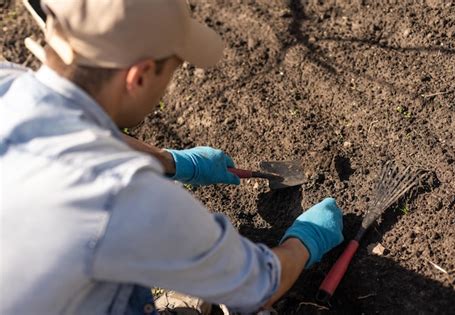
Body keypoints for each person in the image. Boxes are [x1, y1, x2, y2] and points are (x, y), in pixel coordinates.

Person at [0, 0, 344, 314]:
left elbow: (75, 131)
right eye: (171, 72)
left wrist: (173, 162)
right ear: (139, 76)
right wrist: (305, 241)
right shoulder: (122, 196)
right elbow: (256, 285)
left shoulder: (7, 84)